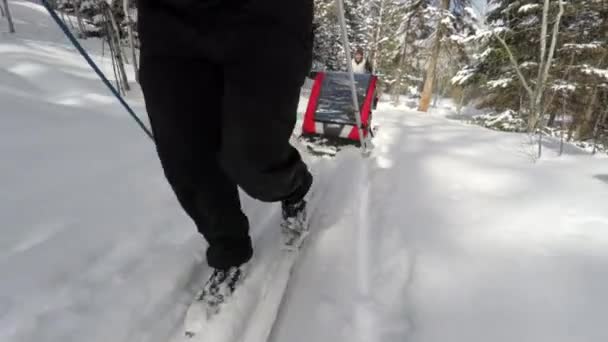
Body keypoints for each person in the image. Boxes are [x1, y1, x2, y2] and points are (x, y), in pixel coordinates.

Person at [135, 0, 314, 308]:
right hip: (167, 21)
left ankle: (293, 188)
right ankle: (229, 249)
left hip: (267, 17)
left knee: (253, 157)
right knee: (185, 157)